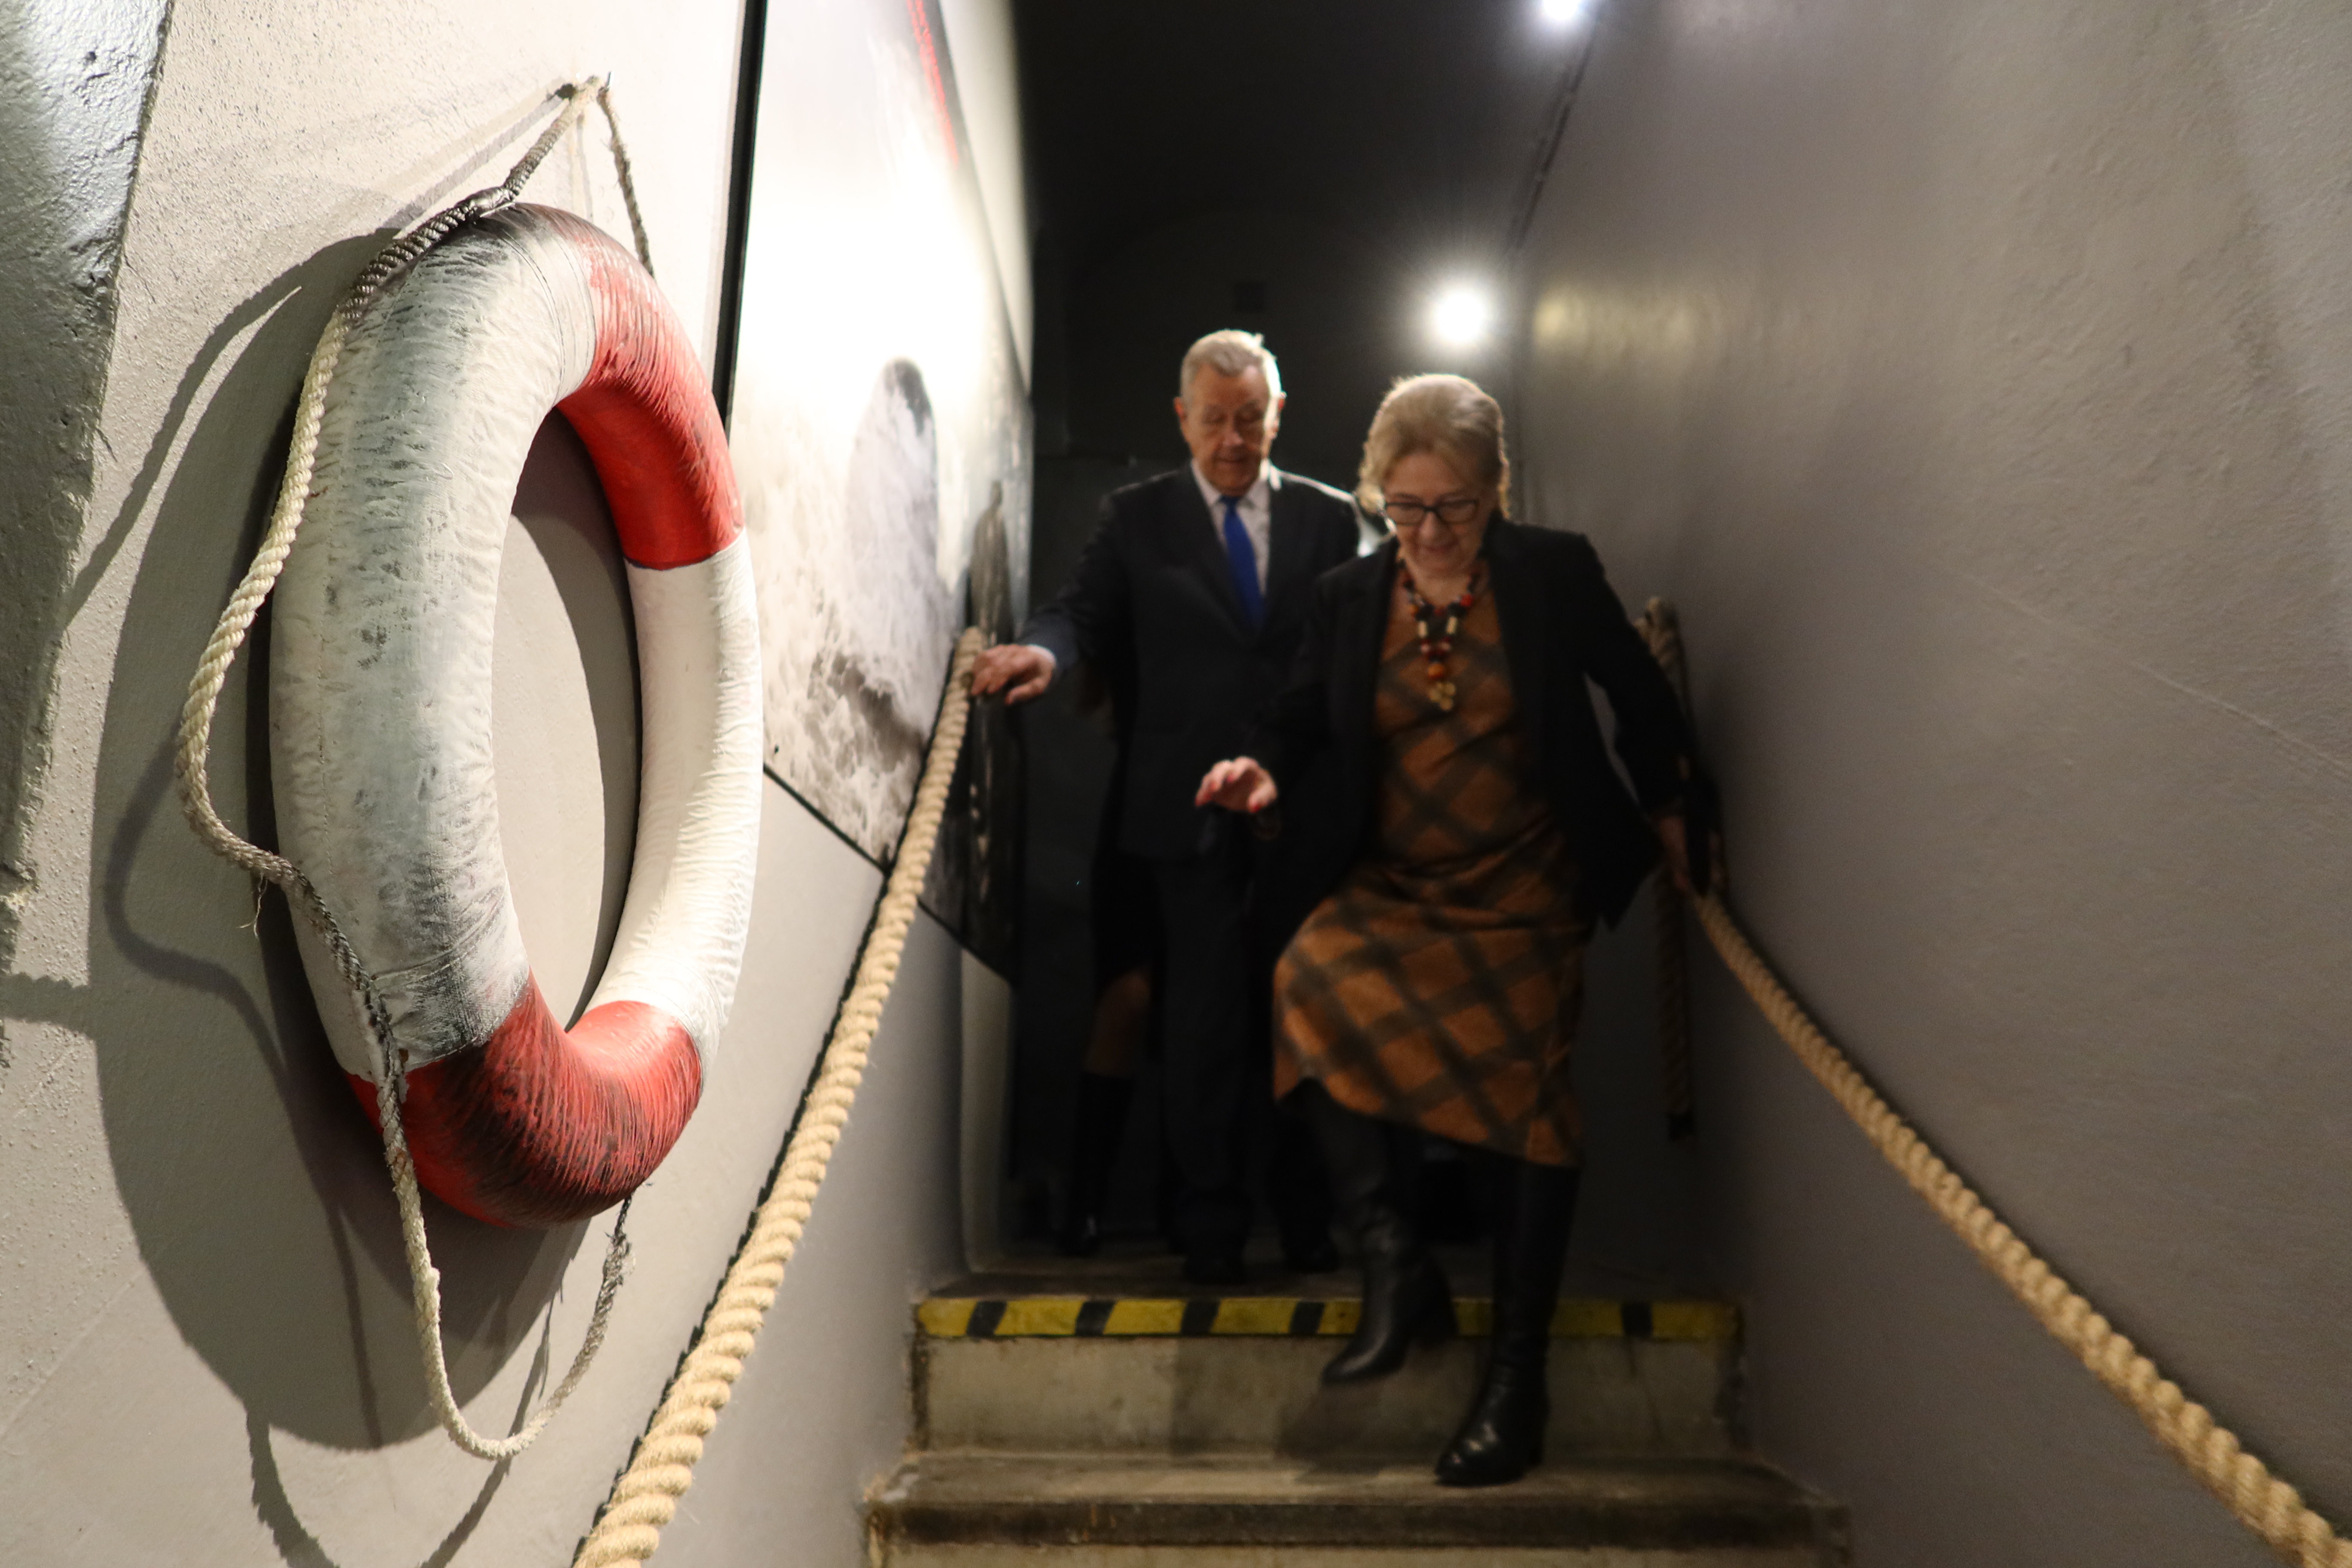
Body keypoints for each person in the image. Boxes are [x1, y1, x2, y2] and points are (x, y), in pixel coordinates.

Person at [1196, 374, 1713, 1486]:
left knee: (1528, 1107)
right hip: (1395, 883)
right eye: (1406, 507)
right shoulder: (1348, 596)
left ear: (1495, 491)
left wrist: (1672, 807)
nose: (1429, 532)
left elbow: (1636, 690)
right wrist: (1260, 769)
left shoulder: (1551, 573)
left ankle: (1517, 1383)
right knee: (1306, 980)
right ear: (1379, 494)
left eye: (1456, 507)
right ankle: (1398, 1263)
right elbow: (1298, 719)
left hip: (1525, 884)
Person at [974, 329, 1368, 1283]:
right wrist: (1044, 652)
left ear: (1278, 415)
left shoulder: (1331, 520)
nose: (1233, 440)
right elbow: (1082, 609)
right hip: (1182, 810)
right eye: (1215, 420)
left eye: (1251, 419)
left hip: (1304, 808)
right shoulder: (1137, 517)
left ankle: (1309, 1224)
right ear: (1183, 418)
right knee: (1202, 1025)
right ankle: (1210, 1232)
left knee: (1307, 1015)